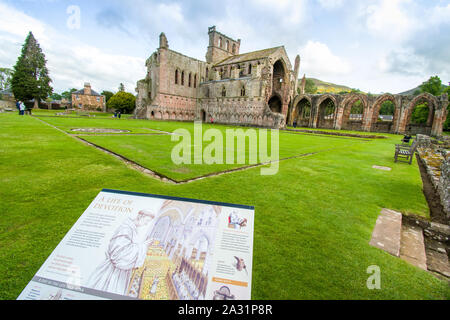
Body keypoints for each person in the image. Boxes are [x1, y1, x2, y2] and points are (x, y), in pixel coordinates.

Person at [87, 210, 155, 296]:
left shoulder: (132, 228)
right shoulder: (126, 229)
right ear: (140, 217)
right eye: (146, 221)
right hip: (113, 272)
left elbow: (127, 247)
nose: (146, 224)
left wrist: (141, 246)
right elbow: (119, 253)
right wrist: (143, 246)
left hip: (120, 270)